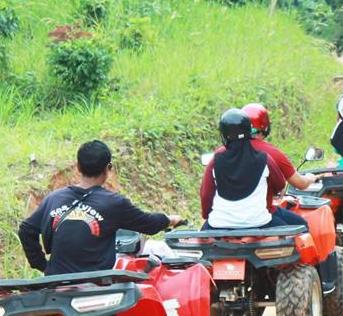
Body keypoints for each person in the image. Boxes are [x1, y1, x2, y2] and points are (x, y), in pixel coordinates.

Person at [18, 140, 184, 275]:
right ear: (108, 168)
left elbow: (26, 229)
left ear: (78, 167)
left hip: (56, 281)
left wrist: (43, 266)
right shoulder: (114, 203)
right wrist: (171, 219)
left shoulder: (54, 198)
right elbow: (149, 223)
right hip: (96, 283)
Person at [200, 109, 288, 229]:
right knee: (299, 232)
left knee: (202, 242)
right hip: (259, 222)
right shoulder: (265, 159)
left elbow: (206, 194)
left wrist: (206, 215)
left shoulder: (215, 161)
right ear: (249, 131)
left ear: (223, 135)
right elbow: (280, 185)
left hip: (219, 224)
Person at [242, 102, 312, 227]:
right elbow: (298, 184)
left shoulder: (221, 153)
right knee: (301, 226)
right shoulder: (271, 153)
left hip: (225, 218)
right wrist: (311, 178)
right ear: (266, 128)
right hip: (262, 215)